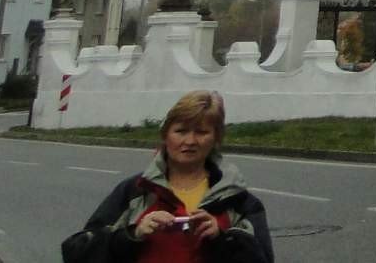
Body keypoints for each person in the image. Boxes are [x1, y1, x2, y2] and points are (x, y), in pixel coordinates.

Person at [69, 91, 272, 263]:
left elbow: (262, 258)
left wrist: (222, 238)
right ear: (165, 136)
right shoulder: (135, 191)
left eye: (202, 132)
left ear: (216, 138)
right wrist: (133, 234)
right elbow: (77, 252)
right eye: (181, 131)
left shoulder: (238, 201)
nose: (190, 141)